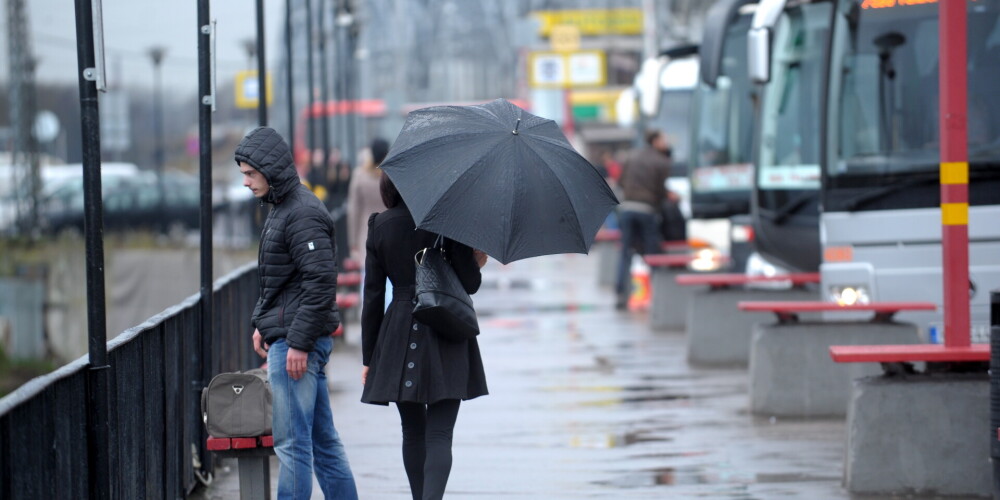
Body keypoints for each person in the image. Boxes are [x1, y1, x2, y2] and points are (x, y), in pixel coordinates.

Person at [235, 126, 358, 500]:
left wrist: (298, 343)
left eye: (250, 174)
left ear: (270, 170)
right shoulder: (285, 208)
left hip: (295, 346)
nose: (246, 182)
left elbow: (320, 281)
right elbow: (279, 280)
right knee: (321, 443)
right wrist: (263, 324)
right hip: (291, 338)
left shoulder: (300, 212)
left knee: (293, 446)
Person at [360, 174, 488, 500]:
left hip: (398, 332)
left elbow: (373, 298)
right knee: (441, 434)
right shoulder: (448, 221)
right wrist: (477, 261)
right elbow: (469, 284)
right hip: (446, 326)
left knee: (412, 432)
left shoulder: (380, 226)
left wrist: (369, 357)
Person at [615, 129, 673, 310]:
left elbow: (620, 183)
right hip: (647, 210)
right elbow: (661, 192)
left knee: (625, 254)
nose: (666, 143)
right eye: (663, 139)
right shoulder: (662, 161)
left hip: (627, 209)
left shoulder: (631, 156)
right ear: (655, 141)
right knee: (652, 254)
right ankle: (657, 294)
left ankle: (621, 294)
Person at [347, 138, 390, 264]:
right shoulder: (390, 175)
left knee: (368, 275)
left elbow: (354, 210)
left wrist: (353, 242)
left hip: (367, 231)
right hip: (390, 228)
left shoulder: (360, 175)